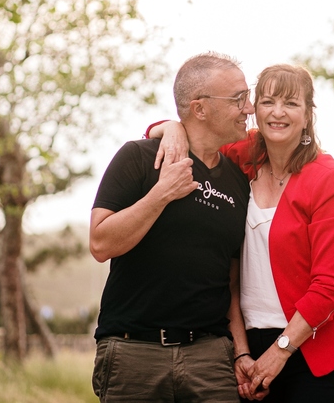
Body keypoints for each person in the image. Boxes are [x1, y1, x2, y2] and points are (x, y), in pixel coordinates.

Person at [149, 64, 334, 403]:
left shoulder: (330, 181)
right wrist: (169, 128)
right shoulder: (243, 156)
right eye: (268, 102)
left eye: (291, 103)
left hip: (317, 351)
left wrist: (280, 350)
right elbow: (199, 135)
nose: (278, 113)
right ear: (255, 108)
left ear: (308, 113)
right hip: (249, 345)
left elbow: (332, 285)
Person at [89, 52, 254, 403]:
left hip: (210, 358)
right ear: (200, 109)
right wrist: (161, 194)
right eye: (238, 98)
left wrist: (240, 352)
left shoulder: (240, 182)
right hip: (133, 355)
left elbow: (232, 281)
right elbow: (100, 243)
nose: (249, 108)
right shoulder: (138, 158)